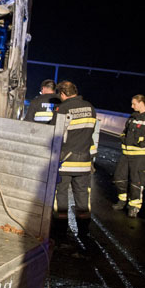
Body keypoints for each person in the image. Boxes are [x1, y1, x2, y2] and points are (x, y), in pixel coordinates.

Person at [50, 81, 97, 243]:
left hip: (65, 162)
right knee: (83, 198)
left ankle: (60, 232)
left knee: (60, 197)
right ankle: (84, 232)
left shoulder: (63, 109)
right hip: (84, 162)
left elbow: (53, 132)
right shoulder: (90, 107)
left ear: (63, 94)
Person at [112, 94, 145, 218]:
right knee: (119, 178)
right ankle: (122, 200)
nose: (132, 106)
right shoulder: (132, 117)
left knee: (136, 181)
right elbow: (124, 132)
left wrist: (143, 143)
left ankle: (134, 206)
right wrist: (123, 138)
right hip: (126, 154)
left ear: (141, 103)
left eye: (134, 103)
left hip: (140, 156)